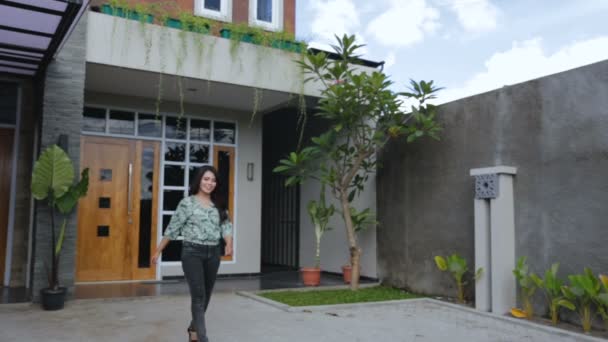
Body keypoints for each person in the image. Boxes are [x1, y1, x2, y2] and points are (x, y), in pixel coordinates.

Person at [152, 165, 233, 342]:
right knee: (198, 296)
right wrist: (158, 251)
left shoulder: (219, 204)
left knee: (207, 295)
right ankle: (202, 338)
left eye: (213, 180)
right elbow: (173, 228)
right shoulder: (187, 203)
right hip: (192, 253)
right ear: (199, 181)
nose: (209, 183)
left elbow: (226, 225)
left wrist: (228, 242)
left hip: (213, 254)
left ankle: (193, 329)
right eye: (206, 179)